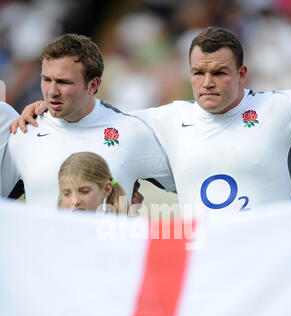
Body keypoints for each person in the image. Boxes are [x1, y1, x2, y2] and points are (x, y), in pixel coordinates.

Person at [16, 27, 291, 215]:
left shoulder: (281, 107)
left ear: (242, 73)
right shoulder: (164, 120)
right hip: (205, 266)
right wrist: (51, 105)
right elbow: (96, 119)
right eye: (198, 73)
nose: (207, 83)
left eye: (220, 73)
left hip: (271, 263)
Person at [1, 33, 175, 207]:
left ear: (93, 85)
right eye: (46, 79)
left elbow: (188, 181)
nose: (52, 91)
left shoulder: (130, 131)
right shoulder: (24, 133)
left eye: (64, 82)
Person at [58, 151, 129, 213]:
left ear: (106, 189)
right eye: (67, 193)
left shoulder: (119, 226)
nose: (75, 201)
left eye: (84, 191)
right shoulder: (55, 226)